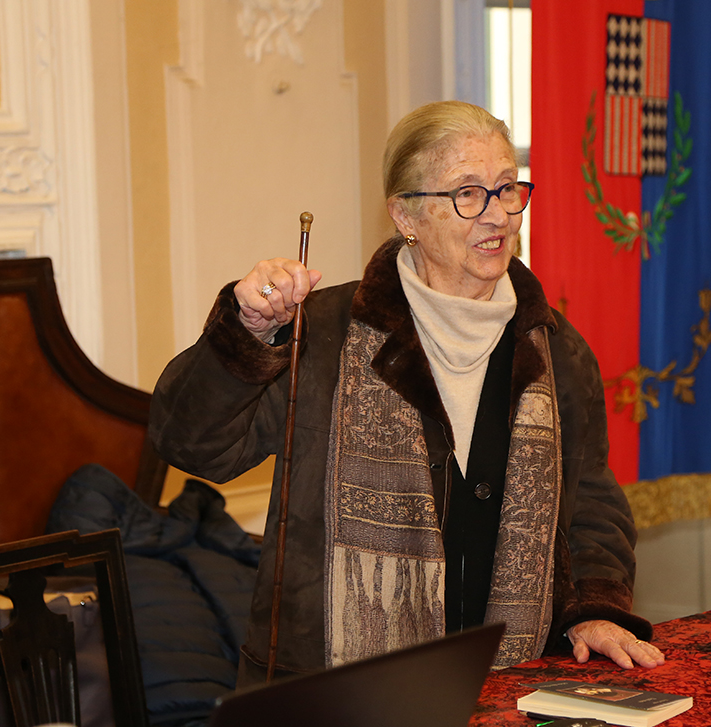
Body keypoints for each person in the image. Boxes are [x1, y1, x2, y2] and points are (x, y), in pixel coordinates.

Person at [150, 101, 665, 688]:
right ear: (405, 216)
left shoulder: (554, 348)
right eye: (467, 194)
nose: (497, 215)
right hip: (331, 695)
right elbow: (191, 443)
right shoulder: (322, 333)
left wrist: (594, 608)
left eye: (506, 189)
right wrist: (247, 330)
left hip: (511, 685)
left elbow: (592, 499)